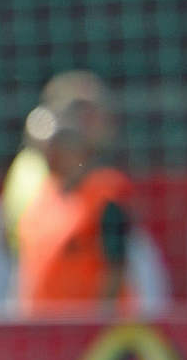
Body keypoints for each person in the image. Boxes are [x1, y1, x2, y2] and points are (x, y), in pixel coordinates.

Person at [12, 71, 134, 317]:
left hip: (88, 335)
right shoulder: (39, 194)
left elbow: (115, 266)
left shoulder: (104, 194)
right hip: (42, 331)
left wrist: (100, 323)